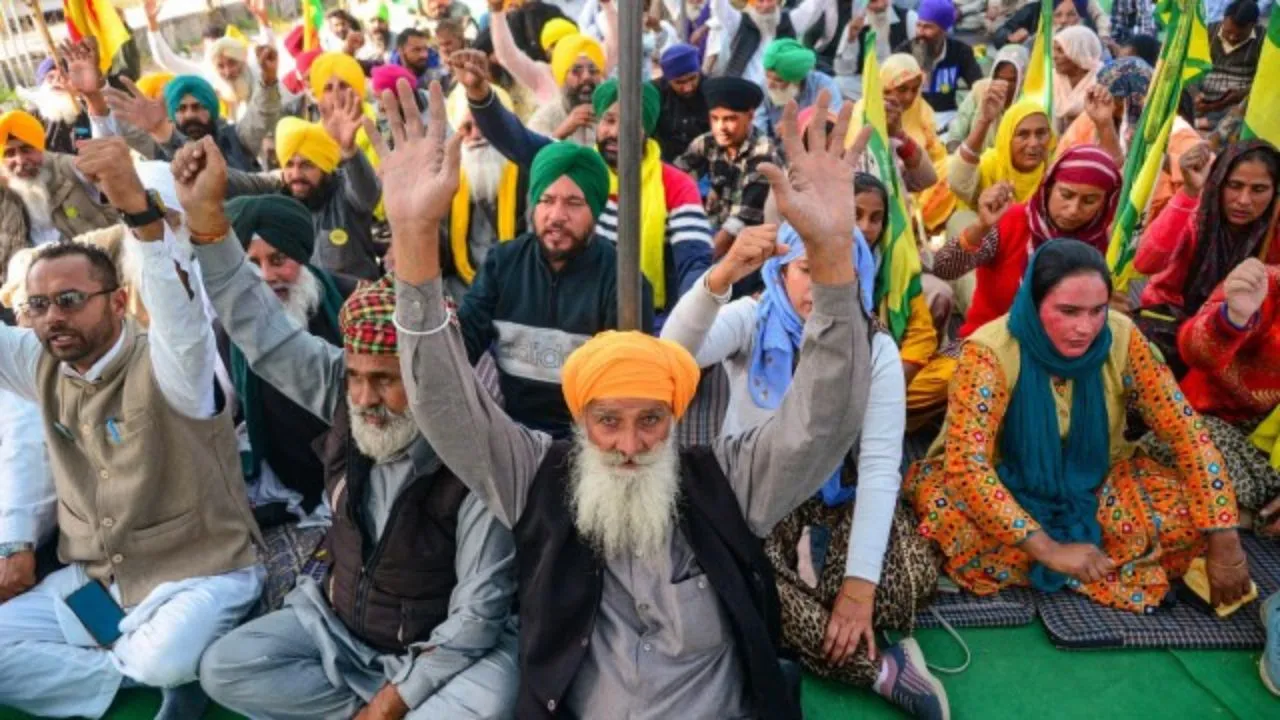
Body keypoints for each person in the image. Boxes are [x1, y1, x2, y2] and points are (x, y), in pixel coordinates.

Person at [385, 76, 872, 720]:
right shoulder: (536, 478)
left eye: (652, 421)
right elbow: (446, 406)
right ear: (580, 420)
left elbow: (824, 420)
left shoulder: (724, 482)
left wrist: (834, 251)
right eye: (607, 421)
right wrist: (416, 240)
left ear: (676, 419)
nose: (630, 444)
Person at [181, 138, 520, 720]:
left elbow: (479, 614)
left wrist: (396, 698)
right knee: (225, 668)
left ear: (429, 380)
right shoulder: (347, 393)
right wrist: (209, 224)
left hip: (444, 649)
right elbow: (264, 334)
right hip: (343, 629)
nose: (366, 399)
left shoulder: (477, 453)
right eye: (357, 378)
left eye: (388, 381)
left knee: (489, 700)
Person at [0, 136, 263, 719]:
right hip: (101, 584)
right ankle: (125, 676)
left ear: (118, 303)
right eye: (38, 306)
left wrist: (135, 208)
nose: (53, 317)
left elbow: (180, 313)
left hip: (200, 577)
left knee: (160, 658)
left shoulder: (173, 365)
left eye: (70, 299)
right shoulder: (42, 363)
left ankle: (145, 670)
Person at [659, 220, 947, 719]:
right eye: (804, 270)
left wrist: (859, 589)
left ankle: (814, 616)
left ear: (859, 278)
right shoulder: (752, 318)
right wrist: (720, 276)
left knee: (902, 580)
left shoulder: (873, 348)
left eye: (837, 273)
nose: (819, 287)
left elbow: (880, 468)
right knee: (744, 586)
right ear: (780, 271)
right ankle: (882, 670)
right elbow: (672, 354)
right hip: (756, 497)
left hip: (837, 497)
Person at [907, 239, 1253, 615]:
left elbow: (1185, 430)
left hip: (1096, 480)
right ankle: (1087, 561)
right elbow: (968, 468)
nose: (1084, 328)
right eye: (1068, 311)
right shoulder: (988, 351)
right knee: (949, 518)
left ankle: (1073, 562)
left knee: (1188, 516)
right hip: (1003, 480)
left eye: (1096, 311)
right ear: (1034, 303)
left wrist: (1224, 534)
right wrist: (1047, 549)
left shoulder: (1121, 337)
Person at [458, 50, 713, 322]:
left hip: (646, 318)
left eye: (629, 123)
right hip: (570, 315)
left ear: (646, 129)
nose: (615, 132)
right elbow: (516, 140)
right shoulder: (574, 166)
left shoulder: (676, 185)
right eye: (609, 120)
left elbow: (694, 263)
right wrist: (479, 93)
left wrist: (676, 330)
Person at [221, 195, 352, 529]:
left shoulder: (352, 301)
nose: (267, 275)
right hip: (285, 475)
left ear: (302, 254)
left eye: (278, 259)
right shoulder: (227, 331)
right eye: (253, 263)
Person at [1137, 258, 1280, 542]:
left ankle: (1243, 511)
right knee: (1187, 443)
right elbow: (1195, 350)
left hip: (1267, 444)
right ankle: (1251, 514)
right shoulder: (1265, 285)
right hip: (1208, 420)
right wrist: (1232, 321)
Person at [938, 144, 1120, 338]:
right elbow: (945, 268)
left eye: (1089, 201)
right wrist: (981, 227)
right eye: (1066, 195)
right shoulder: (1013, 222)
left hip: (1066, 354)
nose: (1074, 209)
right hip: (990, 345)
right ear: (1049, 188)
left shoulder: (1105, 248)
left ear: (1105, 203)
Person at [1134, 141, 1280, 378]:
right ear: (1218, 182)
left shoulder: (1273, 232)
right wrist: (1189, 192)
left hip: (1238, 339)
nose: (1243, 200)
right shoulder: (1195, 217)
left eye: (1259, 189)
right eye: (1234, 186)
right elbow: (1145, 263)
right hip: (1170, 327)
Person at [270, 94, 384, 281]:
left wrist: (349, 151)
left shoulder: (344, 193)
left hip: (354, 304)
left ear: (325, 168)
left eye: (307, 165)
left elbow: (368, 196)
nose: (296, 174)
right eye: (289, 165)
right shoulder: (279, 206)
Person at [439, 86, 528, 303]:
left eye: (484, 126)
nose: (477, 135)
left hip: (520, 290)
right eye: (467, 128)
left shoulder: (528, 174)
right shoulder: (446, 182)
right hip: (462, 291)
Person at [677, 76, 782, 259]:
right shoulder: (709, 142)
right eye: (715, 118)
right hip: (714, 228)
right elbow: (677, 173)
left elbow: (741, 221)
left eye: (729, 119)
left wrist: (703, 264)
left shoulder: (763, 155)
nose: (721, 127)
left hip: (751, 246)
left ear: (750, 116)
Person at [0, 111, 121, 267]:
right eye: (9, 153)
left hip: (97, 265)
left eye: (26, 149)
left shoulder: (71, 168)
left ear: (40, 147)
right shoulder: (5, 193)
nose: (20, 161)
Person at [104, 70, 281, 173]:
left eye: (197, 107)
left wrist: (268, 83)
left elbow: (261, 115)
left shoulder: (236, 138)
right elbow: (124, 126)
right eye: (181, 109)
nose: (189, 115)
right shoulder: (159, 146)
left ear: (211, 109)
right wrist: (96, 92)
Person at [490, 4, 616, 107]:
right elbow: (508, 57)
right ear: (546, 51)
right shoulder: (543, 75)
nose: (586, 77)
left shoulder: (595, 65)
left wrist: (607, 5)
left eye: (568, 41)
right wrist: (497, 13)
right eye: (555, 45)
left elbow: (617, 42)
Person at [949, 98, 1056, 218]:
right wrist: (984, 121)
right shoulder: (990, 164)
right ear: (1007, 137)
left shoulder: (1052, 170)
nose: (1034, 143)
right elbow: (958, 184)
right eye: (1023, 135)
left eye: (1041, 133)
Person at [709, 0, 837, 83]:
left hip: (781, 96)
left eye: (769, 0)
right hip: (744, 96)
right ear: (752, 3)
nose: (765, 6)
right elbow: (719, 5)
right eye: (760, 1)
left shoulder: (790, 22)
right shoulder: (738, 23)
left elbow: (815, 5)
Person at [897, 0, 983, 116]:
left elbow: (978, 86)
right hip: (912, 117)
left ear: (944, 30)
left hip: (947, 117)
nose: (920, 32)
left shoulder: (960, 51)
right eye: (919, 25)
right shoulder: (903, 53)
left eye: (928, 27)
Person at [1055, 57, 1150, 163]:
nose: (1111, 107)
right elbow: (1064, 155)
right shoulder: (1092, 118)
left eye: (1118, 102)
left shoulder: (1154, 126)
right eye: (1107, 100)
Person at [524, 33, 607, 146]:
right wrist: (561, 133)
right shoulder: (544, 119)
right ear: (561, 77)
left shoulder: (611, 113)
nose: (587, 77)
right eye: (576, 71)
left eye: (593, 71)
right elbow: (531, 157)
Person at [1194, 0, 1263, 132]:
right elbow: (1192, 66)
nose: (1232, 37)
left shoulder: (1262, 40)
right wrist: (1195, 93)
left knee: (1247, 112)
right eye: (1228, 31)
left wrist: (1243, 93)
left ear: (1253, 25)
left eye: (1239, 35)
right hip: (1203, 98)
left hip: (1237, 102)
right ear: (1224, 19)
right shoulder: (1208, 31)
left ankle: (1207, 122)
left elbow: (1265, 81)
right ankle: (1207, 122)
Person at [945, 44, 1028, 153]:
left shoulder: (1029, 101)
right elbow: (956, 132)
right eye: (999, 78)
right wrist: (959, 159)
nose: (1004, 85)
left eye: (1012, 80)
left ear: (1023, 79)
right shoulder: (981, 90)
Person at [757, 39, 844, 140]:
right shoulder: (764, 87)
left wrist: (798, 126)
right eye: (767, 76)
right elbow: (758, 129)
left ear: (797, 80)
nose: (769, 85)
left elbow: (834, 123)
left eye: (778, 80)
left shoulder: (824, 86)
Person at [833, 0, 918, 102]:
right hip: (870, 85)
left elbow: (920, 60)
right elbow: (843, 71)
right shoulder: (857, 24)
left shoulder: (909, 18)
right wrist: (851, 40)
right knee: (838, 84)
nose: (879, 5)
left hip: (903, 84)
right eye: (873, 1)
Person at [17, 57, 91, 156]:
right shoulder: (31, 117)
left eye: (62, 77)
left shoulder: (88, 111)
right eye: (50, 77)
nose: (56, 81)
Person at [654, 44, 710, 163]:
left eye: (692, 79)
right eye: (679, 82)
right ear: (668, 80)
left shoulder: (712, 91)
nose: (688, 88)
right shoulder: (655, 93)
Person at [1052, 25, 1105, 133]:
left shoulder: (1102, 79)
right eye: (1054, 50)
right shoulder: (1051, 79)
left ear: (1079, 52)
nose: (1054, 56)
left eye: (1060, 50)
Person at [993, 0, 1110, 48]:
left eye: (1070, 15)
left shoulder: (1083, 3)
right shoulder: (1036, 9)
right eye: (1058, 15)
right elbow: (1000, 35)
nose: (1063, 21)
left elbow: (1101, 17)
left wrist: (1103, 37)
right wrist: (1010, 39)